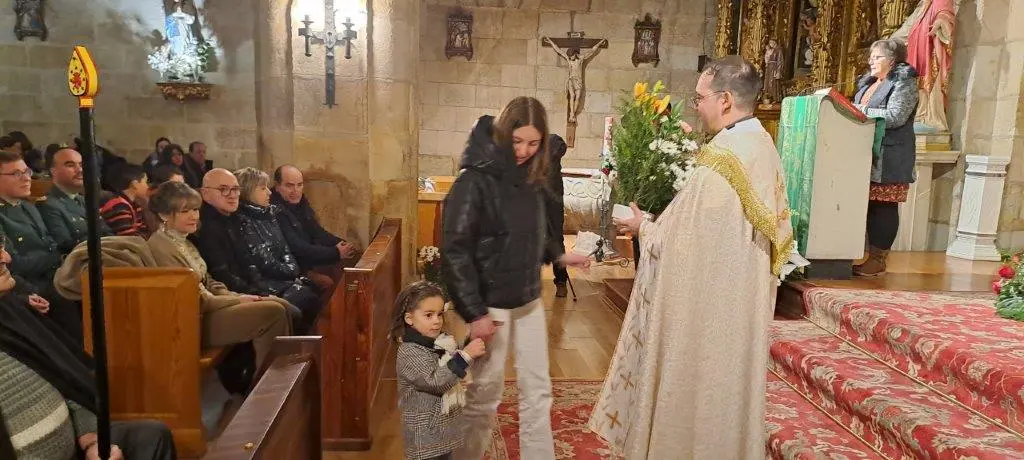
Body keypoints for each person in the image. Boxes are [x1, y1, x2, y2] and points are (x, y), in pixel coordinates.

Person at [588, 56, 794, 459]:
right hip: (737, 305)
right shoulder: (760, 146)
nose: (696, 106)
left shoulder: (723, 159)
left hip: (709, 313)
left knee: (698, 389)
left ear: (726, 99)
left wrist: (643, 227)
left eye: (700, 98)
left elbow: (681, 245)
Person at [442, 97, 590, 459]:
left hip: (528, 299)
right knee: (485, 395)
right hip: (490, 305)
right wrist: (474, 312)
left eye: (533, 143)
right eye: (518, 141)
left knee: (538, 391)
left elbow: (532, 232)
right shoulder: (474, 180)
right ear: (504, 133)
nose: (524, 151)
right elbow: (455, 251)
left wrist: (558, 255)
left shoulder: (532, 178)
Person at [0, 245, 176, 460]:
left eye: (1, 246)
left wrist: (91, 439)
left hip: (76, 446)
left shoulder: (10, 313)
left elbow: (68, 386)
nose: (6, 258)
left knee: (151, 436)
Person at [147, 181, 292, 370]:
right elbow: (194, 300)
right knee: (272, 312)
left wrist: (236, 295)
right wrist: (238, 300)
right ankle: (268, 383)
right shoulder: (161, 247)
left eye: (195, 209)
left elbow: (209, 281)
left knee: (282, 305)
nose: (194, 216)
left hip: (209, 307)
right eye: (185, 211)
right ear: (164, 214)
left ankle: (284, 374)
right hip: (192, 321)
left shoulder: (184, 241)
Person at [393, 281, 486, 460]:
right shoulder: (410, 351)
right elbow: (436, 381)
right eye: (428, 315)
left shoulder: (438, 343)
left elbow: (451, 365)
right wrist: (465, 355)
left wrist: (468, 345)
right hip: (424, 439)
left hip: (441, 434)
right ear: (409, 318)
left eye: (439, 314)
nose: (436, 321)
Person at [851, 39, 919, 276]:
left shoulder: (904, 81)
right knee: (869, 205)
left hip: (890, 154)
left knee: (883, 206)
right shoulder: (870, 83)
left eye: (877, 57)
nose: (871, 61)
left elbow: (896, 116)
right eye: (871, 57)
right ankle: (861, 254)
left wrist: (860, 111)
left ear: (892, 61)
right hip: (864, 152)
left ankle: (878, 259)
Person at [234, 167, 322, 334]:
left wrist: (292, 271)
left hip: (285, 278)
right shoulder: (243, 221)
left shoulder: (270, 214)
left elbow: (285, 250)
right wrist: (292, 273)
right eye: (263, 188)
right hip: (267, 285)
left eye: (300, 185)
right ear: (248, 191)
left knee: (314, 295)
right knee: (308, 300)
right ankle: (296, 347)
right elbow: (264, 262)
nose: (269, 192)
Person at [271, 164, 360, 290]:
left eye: (299, 185)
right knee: (328, 282)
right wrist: (335, 253)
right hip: (291, 269)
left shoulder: (300, 202)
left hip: (305, 262)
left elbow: (317, 232)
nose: (296, 191)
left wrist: (343, 244)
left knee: (350, 264)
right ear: (277, 186)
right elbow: (297, 247)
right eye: (289, 185)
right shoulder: (274, 210)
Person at [37, 145, 112, 254]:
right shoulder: (48, 205)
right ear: (53, 171)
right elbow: (66, 245)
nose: (80, 170)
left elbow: (107, 232)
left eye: (81, 165)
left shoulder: (84, 200)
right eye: (70, 165)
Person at [543, 135, 570, 297]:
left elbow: (561, 147)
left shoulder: (553, 141)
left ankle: (561, 281)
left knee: (556, 240)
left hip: (552, 199)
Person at [98, 163, 150, 238]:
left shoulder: (136, 205)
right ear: (135, 184)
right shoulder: (118, 206)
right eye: (145, 182)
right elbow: (128, 238)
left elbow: (144, 231)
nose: (147, 187)